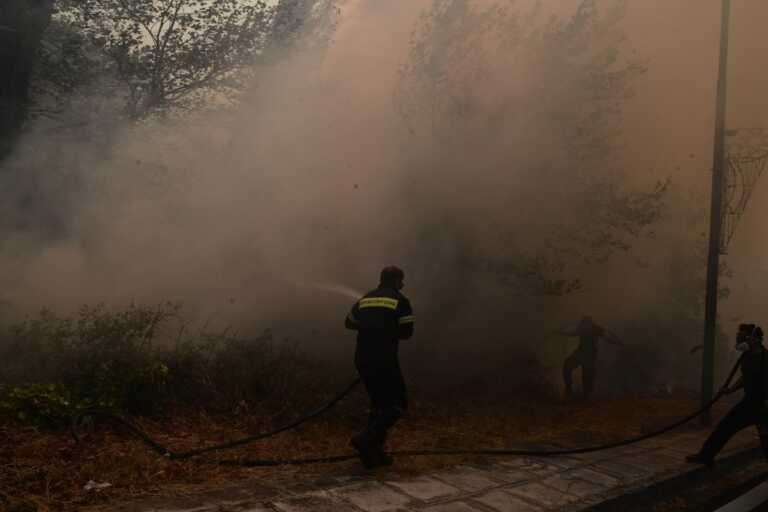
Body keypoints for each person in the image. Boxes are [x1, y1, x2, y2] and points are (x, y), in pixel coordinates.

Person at [345, 265, 414, 469]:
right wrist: (386, 329)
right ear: (394, 280)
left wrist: (369, 326)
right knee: (397, 404)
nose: (403, 284)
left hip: (362, 359)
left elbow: (348, 323)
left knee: (378, 405)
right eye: (401, 280)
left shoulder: (365, 299)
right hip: (384, 360)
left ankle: (373, 454)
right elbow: (407, 332)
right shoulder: (400, 301)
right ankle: (366, 439)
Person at [687, 323, 768, 467]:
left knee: (765, 436)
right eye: (740, 336)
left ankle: (705, 456)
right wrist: (730, 389)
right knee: (725, 427)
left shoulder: (765, 358)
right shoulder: (746, 356)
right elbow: (745, 378)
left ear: (755, 339)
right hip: (749, 402)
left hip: (763, 404)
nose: (740, 340)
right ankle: (705, 456)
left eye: (744, 337)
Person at [553, 315, 624, 399]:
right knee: (568, 366)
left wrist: (617, 342)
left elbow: (607, 337)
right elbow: (572, 333)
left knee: (586, 376)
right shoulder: (587, 328)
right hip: (581, 354)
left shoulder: (595, 329)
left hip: (589, 356)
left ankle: (583, 395)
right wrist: (560, 332)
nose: (585, 325)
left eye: (585, 323)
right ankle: (570, 389)